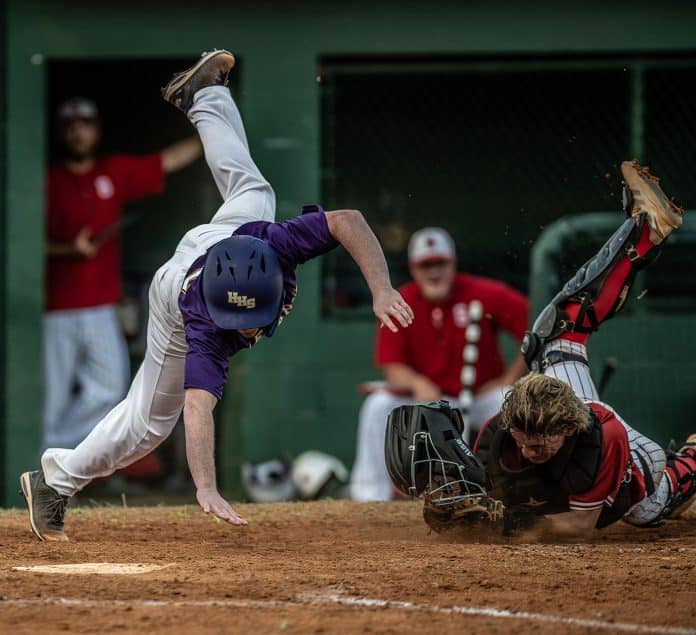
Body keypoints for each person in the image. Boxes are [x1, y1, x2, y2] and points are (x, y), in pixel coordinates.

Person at [20, 49, 413, 542]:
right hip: (175, 290)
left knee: (257, 192)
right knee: (149, 425)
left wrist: (381, 289)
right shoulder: (202, 322)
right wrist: (205, 486)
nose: (246, 330)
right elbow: (198, 406)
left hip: (230, 233)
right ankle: (54, 482)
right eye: (239, 321)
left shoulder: (276, 241)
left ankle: (202, 93)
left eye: (250, 318)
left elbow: (348, 220)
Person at [393, 160, 696, 537]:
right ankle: (646, 231)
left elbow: (578, 527)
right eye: (524, 439)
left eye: (542, 441)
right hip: (570, 432)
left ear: (568, 428)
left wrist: (501, 522)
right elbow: (484, 499)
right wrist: (462, 501)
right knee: (553, 340)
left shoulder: (601, 437)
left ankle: (648, 230)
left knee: (649, 505)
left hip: (630, 468)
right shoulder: (498, 435)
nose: (531, 449)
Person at [44, 96, 203, 450]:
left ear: (96, 130)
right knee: (50, 397)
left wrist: (209, 129)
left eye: (84, 125)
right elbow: (23, 244)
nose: (77, 133)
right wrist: (68, 248)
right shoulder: (47, 181)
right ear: (60, 133)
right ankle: (42, 461)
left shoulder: (111, 172)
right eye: (70, 126)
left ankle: (53, 451)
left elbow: (167, 161)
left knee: (110, 387)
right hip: (55, 308)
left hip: (101, 304)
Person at [350, 227, 528, 501]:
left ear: (453, 263)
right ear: (413, 268)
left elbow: (533, 330)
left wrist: (510, 378)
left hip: (480, 397)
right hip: (429, 402)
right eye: (425, 265)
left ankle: (520, 492)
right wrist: (418, 383)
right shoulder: (401, 301)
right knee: (378, 406)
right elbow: (392, 368)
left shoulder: (482, 292)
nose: (434, 272)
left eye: (440, 264)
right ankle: (369, 497)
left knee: (513, 400)